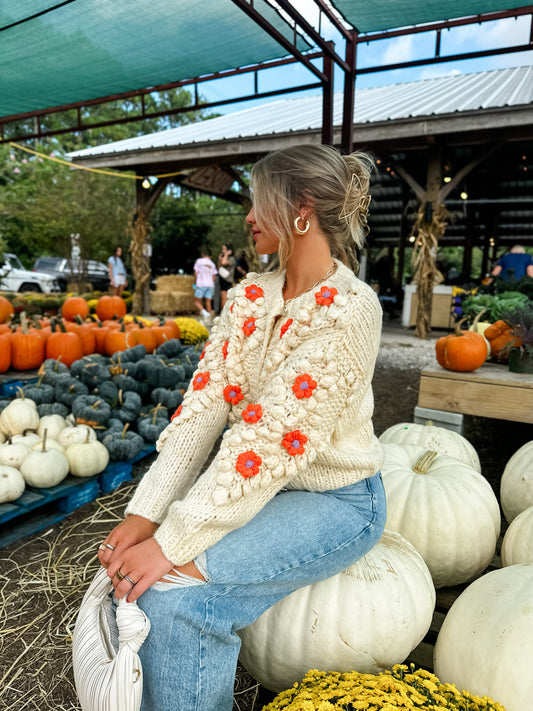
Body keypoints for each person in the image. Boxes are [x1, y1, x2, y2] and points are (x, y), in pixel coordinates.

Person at [96, 144, 386, 711]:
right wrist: (144, 514)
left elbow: (266, 444)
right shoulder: (248, 298)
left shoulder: (353, 311)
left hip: (337, 502)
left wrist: (172, 541)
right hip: (266, 488)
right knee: (157, 583)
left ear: (300, 207)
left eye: (260, 202)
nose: (249, 216)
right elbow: (200, 411)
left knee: (177, 599)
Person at [193, 248, 217, 323]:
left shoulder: (199, 261)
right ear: (210, 256)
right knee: (208, 301)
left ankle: (205, 313)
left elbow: (196, 273)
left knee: (196, 302)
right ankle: (209, 320)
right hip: (210, 284)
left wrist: (195, 282)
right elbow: (214, 277)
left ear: (203, 254)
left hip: (201, 283)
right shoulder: (212, 264)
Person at [217, 242, 236, 309]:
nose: (223, 251)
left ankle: (224, 313)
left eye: (224, 249)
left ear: (229, 250)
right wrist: (219, 259)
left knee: (225, 298)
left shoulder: (232, 258)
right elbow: (219, 266)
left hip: (227, 280)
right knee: (223, 297)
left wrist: (226, 254)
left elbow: (224, 263)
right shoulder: (225, 257)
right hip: (222, 279)